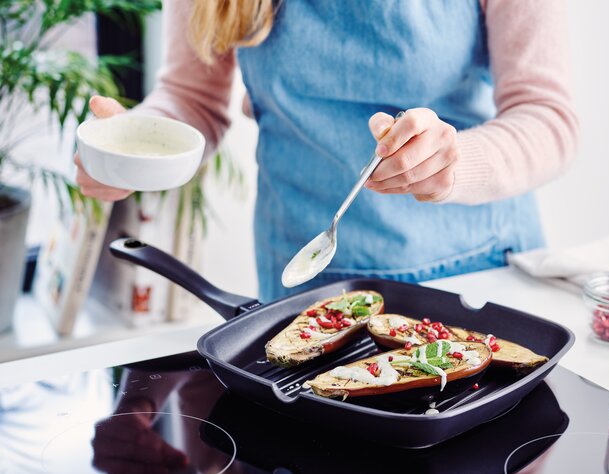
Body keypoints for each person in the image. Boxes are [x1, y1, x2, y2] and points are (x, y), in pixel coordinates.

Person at [76, 0, 579, 302]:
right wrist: (133, 147)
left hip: (477, 274)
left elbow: (547, 117)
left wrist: (454, 163)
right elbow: (191, 96)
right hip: (306, 281)